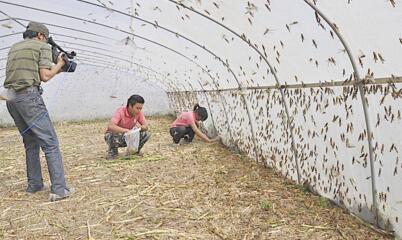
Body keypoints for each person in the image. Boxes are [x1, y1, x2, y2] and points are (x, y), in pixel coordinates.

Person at [4, 21, 73, 201]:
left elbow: (34, 73)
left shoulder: (15, 48)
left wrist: (57, 69)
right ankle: (59, 190)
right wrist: (59, 63)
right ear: (41, 36)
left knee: (31, 142)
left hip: (12, 100)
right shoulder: (40, 46)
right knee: (50, 143)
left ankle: (34, 184)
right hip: (29, 98)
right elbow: (45, 76)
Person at [104, 94, 150, 159]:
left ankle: (134, 152)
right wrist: (126, 131)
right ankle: (113, 153)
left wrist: (141, 128)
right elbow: (111, 126)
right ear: (130, 106)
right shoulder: (120, 111)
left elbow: (146, 126)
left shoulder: (139, 113)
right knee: (114, 133)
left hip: (129, 136)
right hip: (115, 137)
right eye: (137, 108)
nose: (139, 111)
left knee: (146, 134)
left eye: (141, 108)